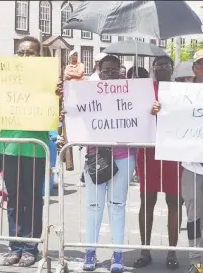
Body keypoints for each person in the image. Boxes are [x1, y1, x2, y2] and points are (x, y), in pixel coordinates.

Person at [0, 36, 54, 267]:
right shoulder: (4, 80)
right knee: (14, 200)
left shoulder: (48, 81)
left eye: (31, 53)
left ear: (39, 55)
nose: (25, 56)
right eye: (21, 52)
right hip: (9, 147)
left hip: (35, 147)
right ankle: (15, 245)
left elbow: (59, 111)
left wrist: (59, 94)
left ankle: (31, 247)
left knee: (33, 199)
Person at [154, 50, 203, 273]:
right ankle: (196, 262)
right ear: (193, 68)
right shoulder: (179, 93)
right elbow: (170, 119)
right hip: (191, 166)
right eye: (200, 66)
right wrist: (160, 109)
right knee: (193, 217)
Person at [77, 55, 136, 273]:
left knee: (117, 206)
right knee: (94, 206)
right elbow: (78, 117)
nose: (110, 74)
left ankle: (117, 252)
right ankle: (90, 251)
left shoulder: (131, 92)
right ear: (99, 71)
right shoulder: (88, 93)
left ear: (121, 71)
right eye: (106, 70)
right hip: (96, 156)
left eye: (115, 70)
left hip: (123, 155)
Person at [134, 56, 183, 270]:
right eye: (158, 65)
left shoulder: (181, 91)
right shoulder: (142, 91)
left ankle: (172, 251)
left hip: (174, 153)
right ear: (152, 69)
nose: (162, 68)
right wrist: (147, 110)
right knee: (147, 201)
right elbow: (131, 116)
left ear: (172, 69)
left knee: (174, 203)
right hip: (148, 152)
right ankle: (145, 250)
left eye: (166, 65)